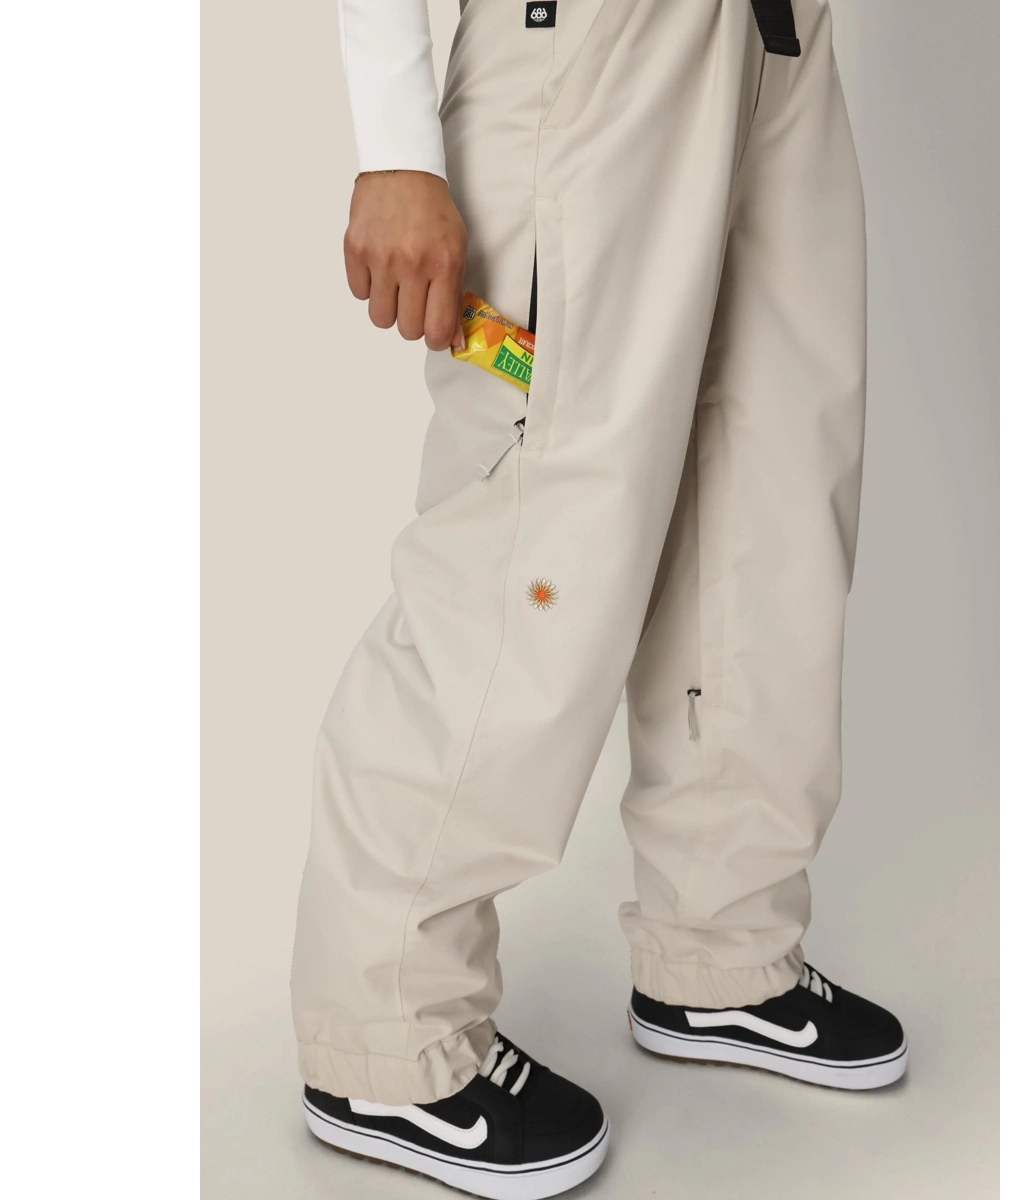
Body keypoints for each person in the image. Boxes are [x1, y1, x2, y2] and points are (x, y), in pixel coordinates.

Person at [292, 2, 907, 1195]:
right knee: (539, 533)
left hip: (772, 39)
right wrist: (396, 145)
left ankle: (720, 952)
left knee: (765, 497)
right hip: (587, 53)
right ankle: (383, 1035)